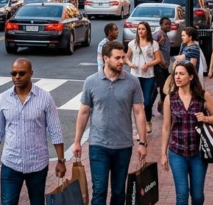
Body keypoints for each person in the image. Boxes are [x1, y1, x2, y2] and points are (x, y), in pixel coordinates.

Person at [73, 41, 147, 205]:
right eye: (117, 58)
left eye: (123, 57)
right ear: (106, 58)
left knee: (119, 191)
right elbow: (84, 112)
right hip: (98, 146)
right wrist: (77, 141)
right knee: (99, 190)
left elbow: (139, 112)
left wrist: (143, 142)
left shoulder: (132, 82)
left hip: (123, 146)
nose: (122, 61)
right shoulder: (91, 82)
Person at [0, 58, 65, 205]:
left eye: (21, 73)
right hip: (11, 163)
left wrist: (61, 161)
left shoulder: (45, 98)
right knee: (8, 202)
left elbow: (56, 131)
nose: (17, 77)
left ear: (31, 73)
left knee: (37, 202)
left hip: (37, 164)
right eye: (13, 73)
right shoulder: (3, 98)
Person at [160, 61, 213, 205]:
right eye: (176, 74)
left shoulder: (202, 96)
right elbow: (166, 127)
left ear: (191, 76)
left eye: (181, 73)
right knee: (182, 194)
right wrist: (163, 154)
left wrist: (206, 118)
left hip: (198, 153)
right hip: (176, 152)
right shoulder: (170, 98)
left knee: (197, 195)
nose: (177, 77)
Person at [126, 21, 163, 134]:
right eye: (139, 29)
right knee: (136, 103)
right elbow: (126, 58)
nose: (140, 31)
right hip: (135, 76)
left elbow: (158, 59)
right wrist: (130, 64)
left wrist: (148, 65)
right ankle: (138, 128)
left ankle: (148, 121)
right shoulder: (132, 43)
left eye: (143, 29)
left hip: (148, 76)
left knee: (147, 102)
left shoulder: (153, 44)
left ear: (147, 31)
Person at [153, 17, 173, 113]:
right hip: (159, 66)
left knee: (165, 85)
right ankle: (161, 104)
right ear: (161, 25)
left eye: (169, 24)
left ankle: (163, 103)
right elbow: (152, 47)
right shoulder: (159, 34)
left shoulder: (164, 35)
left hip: (165, 66)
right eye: (166, 24)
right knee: (162, 85)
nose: (168, 26)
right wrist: (162, 62)